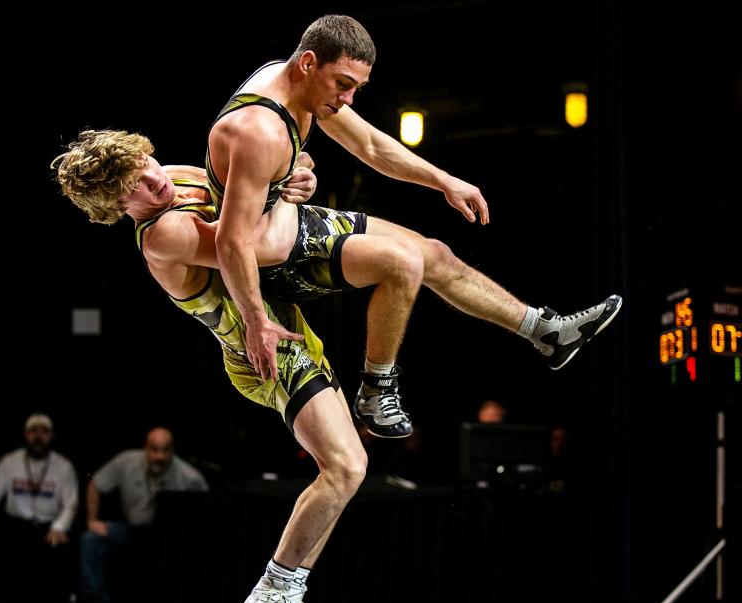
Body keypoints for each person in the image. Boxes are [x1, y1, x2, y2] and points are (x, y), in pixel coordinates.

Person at [205, 14, 622, 443]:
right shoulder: (258, 129)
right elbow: (232, 240)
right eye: (343, 84)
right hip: (274, 258)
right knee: (403, 265)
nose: (348, 99)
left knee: (436, 254)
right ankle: (376, 390)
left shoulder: (293, 82)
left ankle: (546, 333)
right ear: (308, 62)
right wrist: (256, 321)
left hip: (292, 223)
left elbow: (368, 145)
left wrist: (444, 181)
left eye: (356, 89)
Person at [53, 130, 356, 603]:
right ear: (116, 206)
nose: (155, 181)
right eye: (136, 186)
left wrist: (298, 175)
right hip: (262, 350)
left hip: (288, 323)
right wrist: (282, 194)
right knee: (345, 466)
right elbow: (260, 248)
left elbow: (271, 183)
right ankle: (274, 588)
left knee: (349, 469)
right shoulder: (161, 234)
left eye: (146, 163)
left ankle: (289, 591)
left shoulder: (175, 176)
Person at [80, 426, 209, 603]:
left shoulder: (189, 477)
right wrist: (92, 520)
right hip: (132, 529)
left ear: (172, 451)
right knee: (90, 540)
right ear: (146, 449)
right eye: (155, 450)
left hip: (168, 539)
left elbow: (206, 507)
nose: (159, 456)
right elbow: (96, 484)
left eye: (165, 451)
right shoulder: (127, 461)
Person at [0, 412, 79, 603]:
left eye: (44, 432)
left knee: (59, 547)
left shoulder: (64, 466)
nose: (38, 436)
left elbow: (71, 503)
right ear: (25, 434)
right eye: (33, 431)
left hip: (48, 527)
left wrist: (60, 526)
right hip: (17, 525)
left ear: (52, 436)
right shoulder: (9, 461)